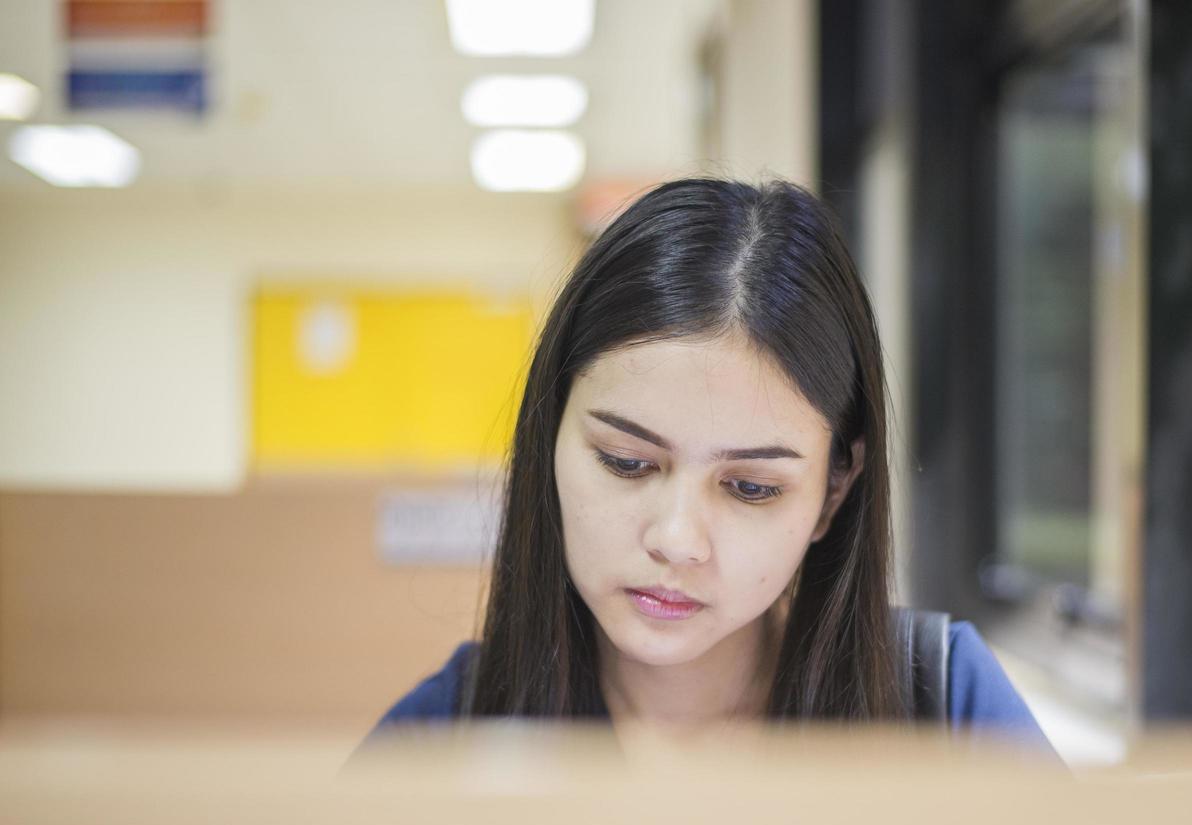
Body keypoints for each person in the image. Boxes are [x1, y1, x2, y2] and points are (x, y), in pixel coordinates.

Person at [365, 177, 1052, 755]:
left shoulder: (945, 705)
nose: (676, 539)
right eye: (626, 462)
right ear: (549, 443)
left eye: (751, 488)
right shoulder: (438, 739)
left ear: (832, 493)